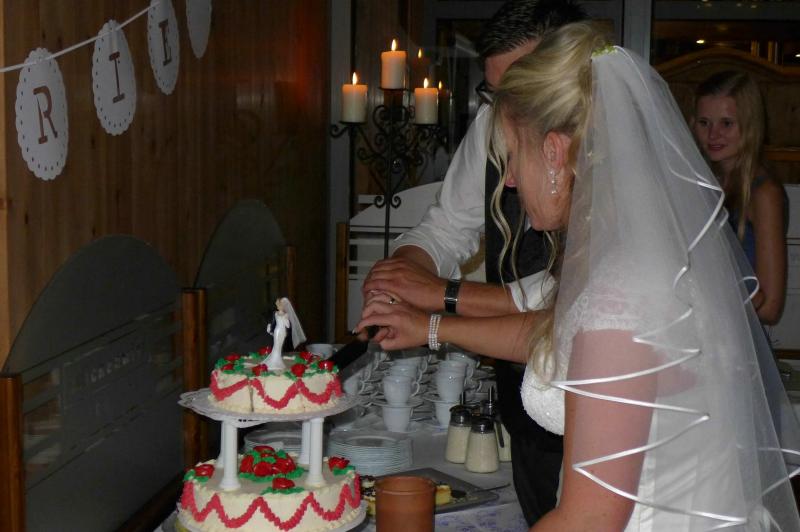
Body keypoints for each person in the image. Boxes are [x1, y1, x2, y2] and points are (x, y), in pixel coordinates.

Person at [359, 21, 800, 530]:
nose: (508, 180)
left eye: (512, 156)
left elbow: (588, 520)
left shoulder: (621, 288)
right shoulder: (630, 247)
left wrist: (437, 313)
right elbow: (563, 337)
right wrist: (430, 327)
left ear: (553, 152)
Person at [361, 1, 586, 524]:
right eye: (495, 92)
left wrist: (440, 302)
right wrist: (401, 275)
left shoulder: (611, 162)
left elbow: (564, 310)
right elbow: (446, 227)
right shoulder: (494, 122)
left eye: (518, 91)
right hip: (522, 391)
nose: (503, 110)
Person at [692, 70, 788, 325]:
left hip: (736, 337)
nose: (713, 135)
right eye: (704, 123)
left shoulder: (764, 193)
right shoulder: (704, 182)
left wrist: (707, 280)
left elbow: (770, 309)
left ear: (750, 125)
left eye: (726, 123)